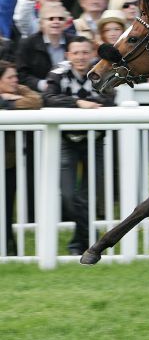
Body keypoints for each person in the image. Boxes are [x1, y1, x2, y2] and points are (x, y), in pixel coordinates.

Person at [43, 36, 115, 255]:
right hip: (67, 141)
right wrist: (78, 104)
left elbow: (110, 98)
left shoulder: (100, 71)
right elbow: (47, 98)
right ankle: (89, 239)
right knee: (68, 195)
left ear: (91, 54)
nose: (81, 57)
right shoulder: (58, 73)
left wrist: (90, 104)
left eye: (85, 52)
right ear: (68, 55)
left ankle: (79, 243)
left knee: (87, 195)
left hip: (95, 141)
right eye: (76, 53)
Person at [0, 61, 42, 256]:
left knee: (7, 207)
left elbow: (35, 100)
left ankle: (9, 247)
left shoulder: (19, 89)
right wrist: (6, 102)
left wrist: (10, 101)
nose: (15, 80)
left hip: (8, 162)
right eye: (10, 77)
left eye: (16, 76)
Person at [16, 2, 72, 93]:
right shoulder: (28, 44)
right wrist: (41, 84)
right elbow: (21, 75)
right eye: (51, 19)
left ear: (66, 23)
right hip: (39, 97)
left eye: (60, 19)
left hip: (69, 96)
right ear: (41, 23)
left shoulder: (74, 42)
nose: (56, 22)